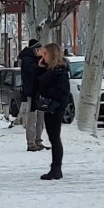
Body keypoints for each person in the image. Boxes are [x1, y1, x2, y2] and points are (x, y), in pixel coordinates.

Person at [35, 43, 72, 180]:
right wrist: (40, 68)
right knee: (53, 137)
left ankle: (56, 168)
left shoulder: (59, 70)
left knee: (55, 138)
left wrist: (48, 94)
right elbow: (37, 82)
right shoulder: (50, 69)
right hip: (50, 105)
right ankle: (56, 168)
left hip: (55, 107)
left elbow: (62, 91)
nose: (42, 56)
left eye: (45, 54)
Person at [17, 39, 44, 151]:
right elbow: (35, 72)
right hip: (31, 92)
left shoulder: (34, 60)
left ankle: (38, 139)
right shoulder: (27, 60)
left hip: (39, 92)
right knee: (32, 118)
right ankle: (31, 142)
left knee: (40, 118)